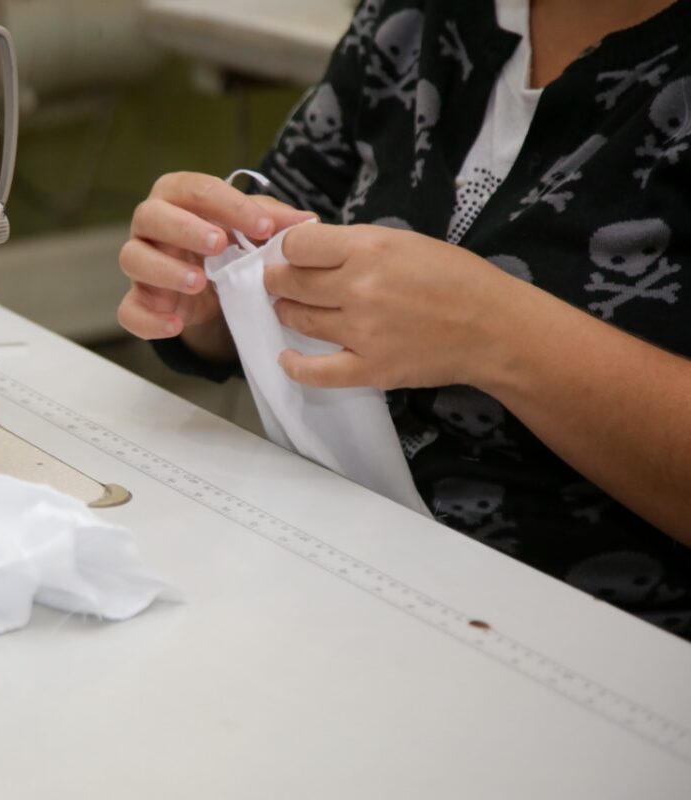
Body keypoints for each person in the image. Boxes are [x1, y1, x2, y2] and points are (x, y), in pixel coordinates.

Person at [117, 0, 691, 640]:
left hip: (604, 646)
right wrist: (210, 287)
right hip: (342, 569)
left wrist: (497, 331)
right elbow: (271, 236)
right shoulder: (411, 19)